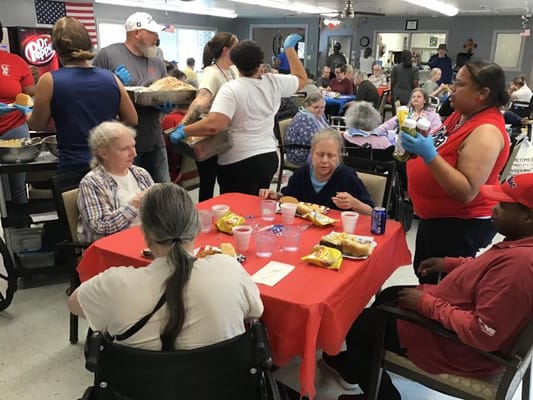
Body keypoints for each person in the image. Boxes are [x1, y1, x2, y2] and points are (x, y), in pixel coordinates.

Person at [322, 173, 533, 400]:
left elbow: (482, 333)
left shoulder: (520, 265)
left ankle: (384, 395)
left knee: (360, 325)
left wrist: (426, 303)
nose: (493, 208)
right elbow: (488, 271)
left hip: (460, 347)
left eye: (502, 205)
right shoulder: (519, 244)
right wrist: (451, 263)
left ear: (528, 217)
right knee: (389, 296)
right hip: (452, 312)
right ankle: (360, 362)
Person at [69, 182, 263, 351]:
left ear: (144, 232)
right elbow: (255, 312)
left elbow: (75, 304)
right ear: (196, 227)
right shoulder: (228, 268)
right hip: (224, 388)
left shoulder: (115, 283)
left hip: (142, 388)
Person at [401, 61, 511, 284]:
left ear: (482, 93)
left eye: (459, 84)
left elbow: (466, 190)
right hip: (436, 218)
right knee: (425, 275)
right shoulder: (462, 114)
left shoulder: (486, 132)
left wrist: (429, 155)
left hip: (458, 225)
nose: (451, 88)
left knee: (442, 286)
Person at [169, 37, 307, 196]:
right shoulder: (273, 81)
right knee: (258, 206)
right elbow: (302, 79)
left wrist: (184, 130)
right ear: (260, 61)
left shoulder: (231, 89)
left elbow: (214, 125)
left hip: (239, 160)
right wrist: (289, 49)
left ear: (234, 62)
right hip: (268, 157)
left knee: (236, 210)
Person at [28, 16, 138, 173]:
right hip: (108, 162)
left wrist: (24, 114)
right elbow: (132, 119)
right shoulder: (111, 78)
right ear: (88, 45)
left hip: (74, 166)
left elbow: (37, 125)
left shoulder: (49, 81)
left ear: (57, 49)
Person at [92, 12, 170, 183]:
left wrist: (166, 104)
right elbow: (91, 94)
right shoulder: (108, 55)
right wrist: (114, 83)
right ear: (137, 33)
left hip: (154, 139)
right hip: (120, 144)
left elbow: (165, 89)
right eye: (152, 33)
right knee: (128, 193)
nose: (156, 37)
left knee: (163, 193)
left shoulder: (157, 62)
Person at [178, 32, 239, 201]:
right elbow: (202, 100)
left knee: (227, 179)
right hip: (210, 134)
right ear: (226, 50)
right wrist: (183, 124)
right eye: (237, 45)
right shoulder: (211, 73)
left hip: (227, 134)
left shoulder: (233, 70)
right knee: (208, 181)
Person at [259, 128, 374, 214]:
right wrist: (275, 196)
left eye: (331, 156)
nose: (324, 160)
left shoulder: (346, 176)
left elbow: (371, 211)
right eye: (320, 154)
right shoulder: (302, 173)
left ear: (338, 157)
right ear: (312, 154)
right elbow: (288, 197)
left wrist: (354, 203)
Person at [77, 121, 154, 243]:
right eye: (124, 149)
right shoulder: (92, 182)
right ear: (103, 153)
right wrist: (136, 203)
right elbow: (100, 229)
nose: (134, 153)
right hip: (113, 247)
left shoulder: (140, 173)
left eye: (133, 146)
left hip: (147, 240)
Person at [0, 20, 35, 204]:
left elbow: (30, 92)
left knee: (18, 188)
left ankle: (20, 229)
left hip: (15, 128)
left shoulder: (16, 62)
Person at [372, 88, 442, 138]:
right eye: (413, 97)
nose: (415, 98)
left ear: (425, 100)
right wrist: (375, 132)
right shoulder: (405, 111)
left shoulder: (432, 115)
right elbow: (389, 124)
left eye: (419, 97)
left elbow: (436, 132)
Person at [285, 93, 329, 166]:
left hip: (312, 149)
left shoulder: (320, 115)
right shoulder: (304, 117)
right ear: (307, 106)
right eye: (316, 107)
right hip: (300, 153)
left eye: (323, 107)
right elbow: (314, 140)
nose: (320, 110)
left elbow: (328, 130)